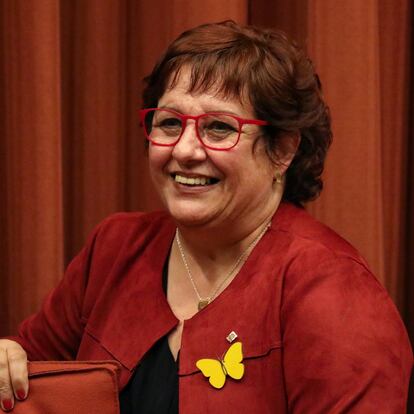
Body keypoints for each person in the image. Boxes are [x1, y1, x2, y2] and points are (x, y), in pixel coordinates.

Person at [0, 20, 412, 413]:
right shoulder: (116, 248)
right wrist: (9, 359)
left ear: (283, 149)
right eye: (170, 123)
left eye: (218, 128)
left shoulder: (334, 291)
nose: (184, 150)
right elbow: (31, 371)